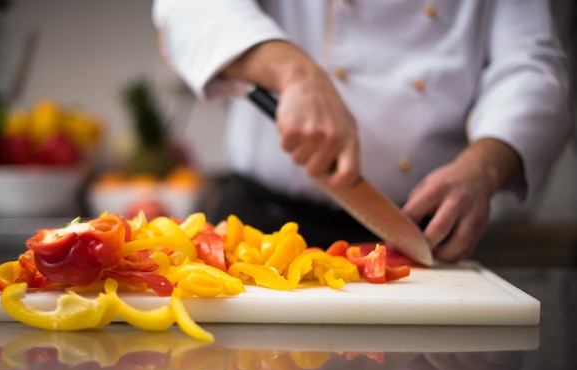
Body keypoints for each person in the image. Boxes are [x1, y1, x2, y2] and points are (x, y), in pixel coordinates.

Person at [152, 0, 572, 262]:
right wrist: (294, 73)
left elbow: (532, 69)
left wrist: (483, 167)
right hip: (260, 230)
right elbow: (186, 8)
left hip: (426, 235)